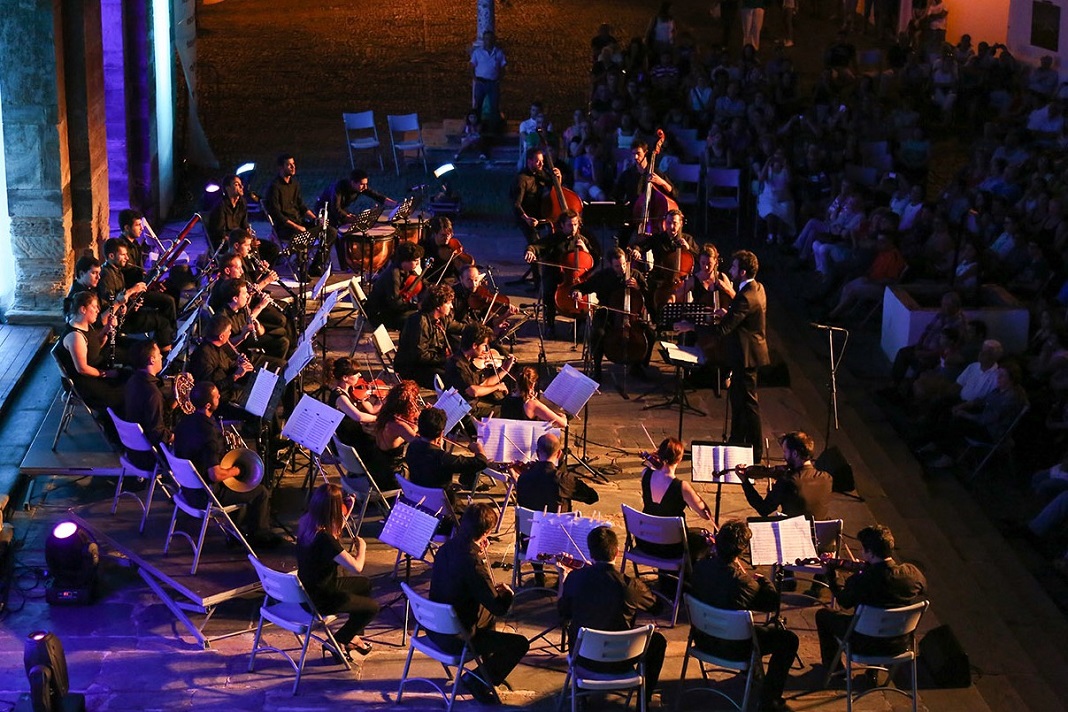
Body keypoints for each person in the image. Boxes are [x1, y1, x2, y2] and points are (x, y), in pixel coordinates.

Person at [690, 520, 799, 712]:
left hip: (702, 639)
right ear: (740, 552)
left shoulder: (700, 568)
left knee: (743, 626)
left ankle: (753, 674)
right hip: (733, 649)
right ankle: (769, 700)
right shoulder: (746, 583)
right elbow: (771, 604)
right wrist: (765, 582)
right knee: (788, 640)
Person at [428, 503, 529, 701]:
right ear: (487, 532)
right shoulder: (472, 562)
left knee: (486, 612)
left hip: (435, 627)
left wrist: (480, 553)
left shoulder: (446, 548)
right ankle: (478, 679)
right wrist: (508, 594)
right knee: (519, 644)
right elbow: (499, 608)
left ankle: (487, 669)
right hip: (456, 637)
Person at [676, 249, 769, 461]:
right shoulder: (757, 288)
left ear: (743, 272)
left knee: (748, 404)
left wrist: (691, 326)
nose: (730, 270)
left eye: (734, 267)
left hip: (747, 356)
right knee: (737, 400)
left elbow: (720, 331)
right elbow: (743, 319)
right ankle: (737, 443)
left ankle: (755, 451)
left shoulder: (745, 296)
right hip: (742, 354)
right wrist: (729, 314)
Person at [557, 526, 666, 706]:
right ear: (617, 552)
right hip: (622, 659)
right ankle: (643, 702)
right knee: (658, 641)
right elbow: (657, 608)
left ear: (590, 552)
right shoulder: (631, 586)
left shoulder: (575, 578)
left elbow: (563, 613)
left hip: (584, 660)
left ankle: (581, 696)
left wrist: (564, 578)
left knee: (574, 629)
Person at [172, 382, 282, 548]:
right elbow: (214, 474)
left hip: (186, 490)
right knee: (259, 492)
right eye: (217, 396)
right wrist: (236, 470)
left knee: (239, 485)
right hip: (205, 495)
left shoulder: (183, 422)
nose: (219, 398)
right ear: (209, 405)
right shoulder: (209, 432)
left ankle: (236, 531)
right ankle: (259, 536)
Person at [815, 524, 927, 672]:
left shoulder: (862, 580)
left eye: (863, 550)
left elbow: (844, 602)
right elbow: (922, 589)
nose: (862, 553)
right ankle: (873, 672)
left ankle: (834, 668)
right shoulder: (912, 574)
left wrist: (831, 574)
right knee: (884, 610)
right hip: (899, 643)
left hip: (864, 644)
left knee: (823, 615)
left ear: (871, 553)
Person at [296, 483, 378, 660]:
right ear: (333, 511)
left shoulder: (306, 522)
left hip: (307, 591)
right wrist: (361, 548)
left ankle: (353, 636)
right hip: (322, 598)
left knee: (364, 585)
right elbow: (357, 567)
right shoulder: (325, 539)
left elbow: (334, 529)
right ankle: (340, 639)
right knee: (372, 608)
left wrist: (345, 512)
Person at [571, 247, 656, 382]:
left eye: (623, 264)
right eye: (617, 266)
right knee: (598, 333)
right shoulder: (603, 276)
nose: (622, 269)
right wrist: (578, 292)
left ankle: (638, 365)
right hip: (607, 313)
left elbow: (649, 296)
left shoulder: (635, 275)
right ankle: (597, 369)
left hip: (632, 315)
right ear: (610, 265)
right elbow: (583, 287)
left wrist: (639, 288)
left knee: (651, 334)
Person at [638, 437, 715, 561]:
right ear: (679, 460)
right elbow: (706, 514)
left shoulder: (645, 474)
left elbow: (652, 470)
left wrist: (656, 464)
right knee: (705, 539)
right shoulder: (682, 487)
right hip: (670, 547)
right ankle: (686, 577)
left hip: (646, 542)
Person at [523, 210, 600, 334]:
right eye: (570, 225)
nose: (573, 228)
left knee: (585, 291)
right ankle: (550, 324)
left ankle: (578, 323)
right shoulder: (554, 238)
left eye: (575, 224)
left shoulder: (582, 240)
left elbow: (594, 261)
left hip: (577, 278)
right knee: (548, 289)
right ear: (562, 225)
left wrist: (586, 250)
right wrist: (530, 251)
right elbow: (536, 246)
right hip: (555, 276)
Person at [735, 431, 833, 520]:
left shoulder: (787, 481)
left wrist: (745, 482)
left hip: (793, 534)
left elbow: (763, 509)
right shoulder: (827, 478)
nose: (784, 456)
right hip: (819, 535)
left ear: (795, 454)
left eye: (785, 452)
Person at [98, 238, 176, 348]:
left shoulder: (116, 270)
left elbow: (122, 298)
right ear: (111, 256)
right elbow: (112, 304)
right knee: (162, 322)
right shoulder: (106, 275)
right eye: (123, 255)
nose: (127, 258)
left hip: (126, 315)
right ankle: (165, 355)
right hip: (120, 323)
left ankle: (163, 346)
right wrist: (132, 290)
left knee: (163, 313)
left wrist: (133, 300)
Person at [317, 169, 396, 271]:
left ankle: (357, 260)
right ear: (353, 182)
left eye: (366, 184)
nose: (365, 187)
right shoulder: (339, 187)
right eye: (362, 184)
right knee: (338, 234)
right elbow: (335, 209)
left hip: (340, 209)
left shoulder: (361, 188)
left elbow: (377, 196)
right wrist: (348, 217)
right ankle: (343, 265)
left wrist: (395, 204)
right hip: (325, 211)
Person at [58, 291, 124, 413]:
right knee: (119, 396)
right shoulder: (75, 336)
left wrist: (105, 331)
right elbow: (82, 369)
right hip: (81, 380)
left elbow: (94, 348)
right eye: (94, 307)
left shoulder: (86, 325)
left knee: (126, 377)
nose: (98, 310)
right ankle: (109, 422)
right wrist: (106, 374)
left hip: (93, 368)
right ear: (83, 309)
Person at [405, 407, 488, 495]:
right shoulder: (443, 458)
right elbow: (481, 462)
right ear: (441, 433)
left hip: (417, 498)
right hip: (441, 504)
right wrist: (479, 450)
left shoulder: (412, 447)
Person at [395, 283, 462, 389]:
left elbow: (459, 327)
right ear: (439, 306)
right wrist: (445, 358)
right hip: (413, 368)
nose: (451, 306)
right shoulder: (419, 322)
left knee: (459, 372)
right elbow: (420, 355)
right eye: (449, 303)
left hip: (430, 363)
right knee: (453, 379)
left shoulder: (442, 319)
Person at [444, 323, 516, 420]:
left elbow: (482, 384)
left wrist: (505, 370)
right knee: (511, 411)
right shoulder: (458, 365)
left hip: (471, 409)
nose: (485, 350)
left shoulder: (467, 360)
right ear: (474, 345)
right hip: (467, 415)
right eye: (484, 345)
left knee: (509, 404)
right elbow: (474, 391)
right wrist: (497, 387)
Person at [511, 149, 561, 288]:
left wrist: (558, 177)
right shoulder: (521, 179)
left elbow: (554, 186)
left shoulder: (541, 174)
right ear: (529, 161)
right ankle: (539, 284)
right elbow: (516, 204)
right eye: (537, 161)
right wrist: (526, 218)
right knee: (534, 245)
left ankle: (552, 278)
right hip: (526, 217)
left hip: (541, 216)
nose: (540, 164)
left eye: (542, 161)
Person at [515, 432, 598, 514]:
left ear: (537, 453)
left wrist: (524, 472)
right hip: (556, 527)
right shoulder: (563, 479)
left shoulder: (523, 478)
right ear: (559, 454)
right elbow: (592, 497)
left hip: (529, 527)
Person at [123, 340, 172, 469]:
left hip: (133, 449)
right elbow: (157, 433)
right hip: (149, 456)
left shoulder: (132, 380)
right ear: (152, 360)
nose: (162, 356)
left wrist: (173, 403)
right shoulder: (152, 393)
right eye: (159, 354)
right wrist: (174, 436)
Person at [215, 277, 290, 361]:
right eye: (245, 293)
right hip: (239, 356)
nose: (248, 296)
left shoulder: (243, 308)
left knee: (283, 340)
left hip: (247, 342)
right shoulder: (222, 317)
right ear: (235, 299)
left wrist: (257, 327)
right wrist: (241, 336)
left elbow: (261, 332)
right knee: (282, 352)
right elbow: (224, 346)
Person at [188, 315, 255, 406]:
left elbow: (225, 365)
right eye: (229, 331)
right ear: (221, 336)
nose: (230, 333)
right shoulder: (203, 356)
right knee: (255, 399)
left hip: (229, 389)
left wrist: (239, 365)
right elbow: (209, 389)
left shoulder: (219, 347)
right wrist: (236, 376)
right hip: (220, 400)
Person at [368, 380, 421, 491]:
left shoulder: (385, 413)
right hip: (391, 476)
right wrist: (420, 421)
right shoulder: (397, 425)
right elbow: (418, 441)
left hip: (377, 467)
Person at [365, 242, 425, 330]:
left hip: (390, 310)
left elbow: (419, 281)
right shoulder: (393, 275)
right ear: (405, 260)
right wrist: (416, 306)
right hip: (380, 315)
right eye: (415, 261)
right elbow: (396, 304)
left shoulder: (404, 268)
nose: (418, 263)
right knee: (417, 321)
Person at [328, 357, 380, 451]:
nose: (359, 375)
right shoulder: (340, 397)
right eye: (356, 373)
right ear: (345, 378)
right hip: (347, 441)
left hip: (354, 434)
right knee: (382, 444)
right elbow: (358, 417)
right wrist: (378, 419)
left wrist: (383, 400)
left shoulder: (350, 390)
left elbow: (372, 410)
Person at [500, 367, 567, 427]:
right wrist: (563, 416)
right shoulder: (532, 404)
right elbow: (562, 423)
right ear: (532, 385)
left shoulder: (507, 398)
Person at [470, 31, 507, 132]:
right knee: (478, 105)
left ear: (493, 40)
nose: (488, 41)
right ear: (483, 40)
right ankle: (476, 128)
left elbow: (503, 67)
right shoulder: (477, 53)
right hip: (481, 83)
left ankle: (493, 129)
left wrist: (499, 79)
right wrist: (475, 78)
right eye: (486, 38)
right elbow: (472, 66)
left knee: (494, 106)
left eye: (490, 38)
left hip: (493, 83)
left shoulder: (498, 53)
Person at [206, 175, 251, 254]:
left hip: (240, 241)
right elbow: (219, 233)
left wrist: (249, 238)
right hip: (225, 242)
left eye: (241, 184)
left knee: (271, 248)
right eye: (236, 184)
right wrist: (238, 241)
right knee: (242, 247)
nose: (241, 186)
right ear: (227, 188)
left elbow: (244, 225)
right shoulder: (220, 206)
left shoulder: (242, 203)